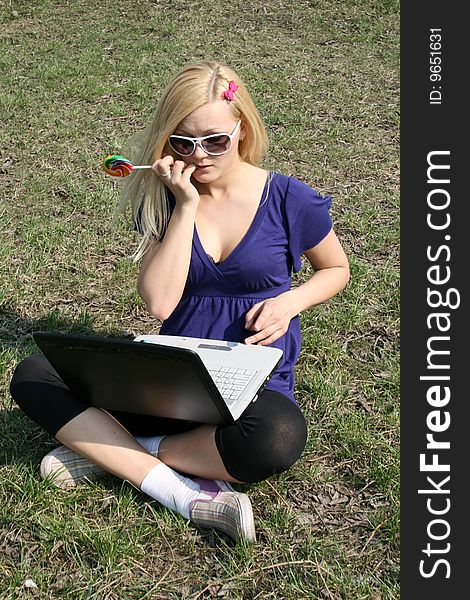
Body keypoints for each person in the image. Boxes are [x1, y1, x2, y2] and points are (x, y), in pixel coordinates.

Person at [10, 60, 350, 543]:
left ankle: (116, 451)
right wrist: (186, 205)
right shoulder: (168, 200)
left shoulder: (290, 198)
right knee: (35, 374)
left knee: (275, 436)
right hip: (173, 374)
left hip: (251, 377)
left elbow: (336, 270)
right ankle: (183, 492)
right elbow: (160, 305)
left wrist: (290, 303)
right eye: (183, 142)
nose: (200, 155)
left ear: (243, 129)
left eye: (215, 140)